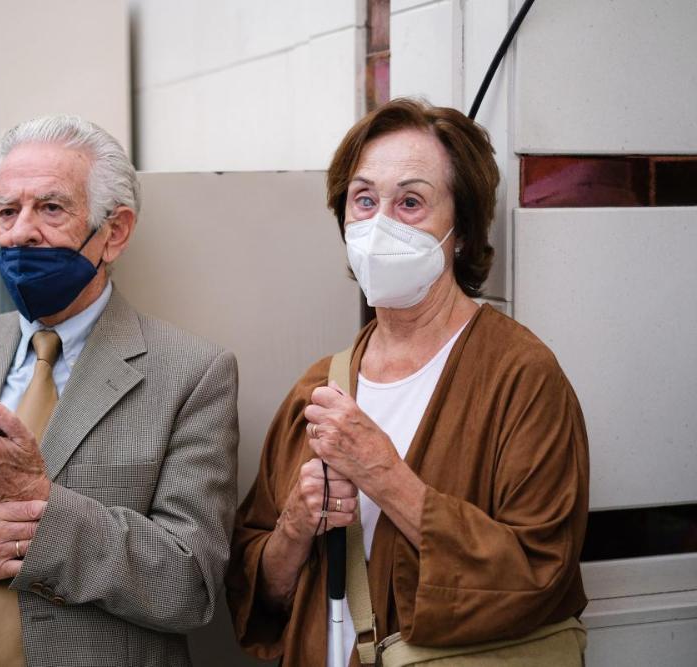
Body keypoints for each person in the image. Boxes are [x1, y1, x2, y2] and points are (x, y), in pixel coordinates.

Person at [0, 115, 240, 667]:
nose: (22, 232)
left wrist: (37, 501)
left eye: (51, 208)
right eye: (8, 211)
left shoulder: (192, 374)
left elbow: (189, 586)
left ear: (115, 231)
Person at [227, 98, 589, 666]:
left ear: (463, 230)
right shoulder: (319, 387)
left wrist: (388, 478)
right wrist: (296, 526)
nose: (380, 224)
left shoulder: (521, 378)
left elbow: (541, 573)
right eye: (364, 200)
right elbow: (257, 595)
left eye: (411, 202)